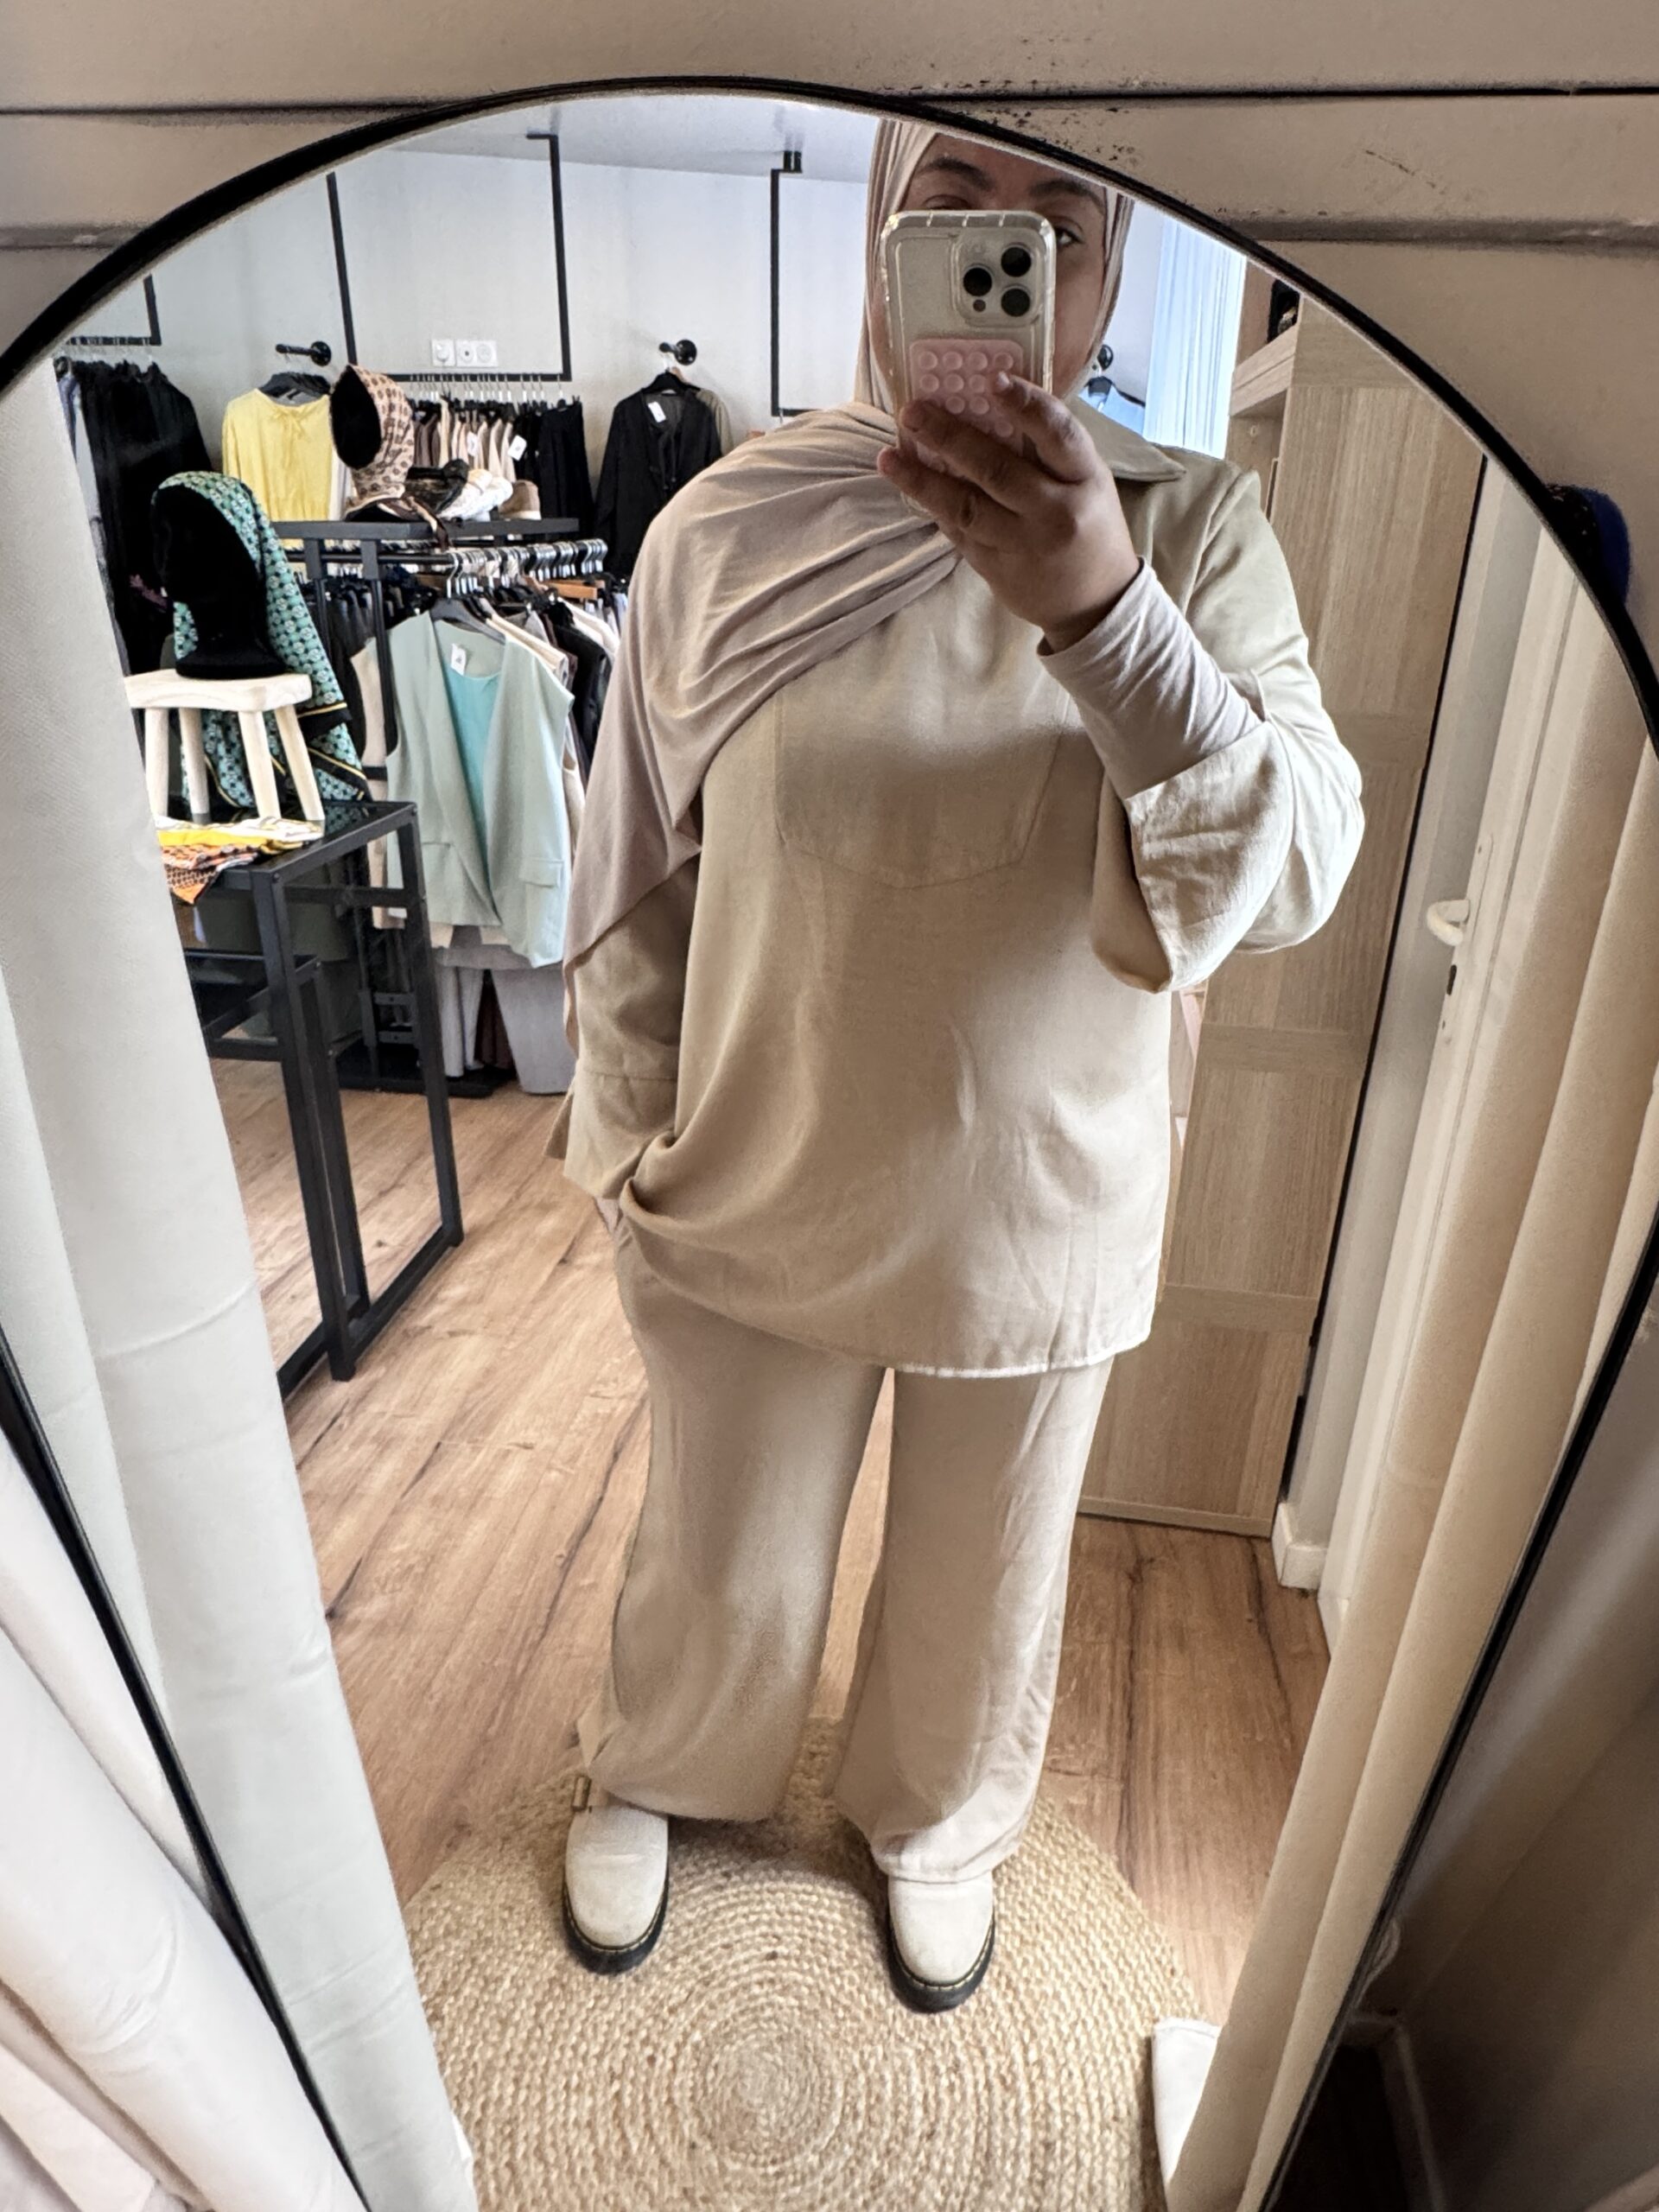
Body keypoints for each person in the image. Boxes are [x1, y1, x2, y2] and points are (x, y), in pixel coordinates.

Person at [548, 120, 1363, 2012]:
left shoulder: (1191, 531)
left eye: (1061, 222)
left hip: (1038, 1187)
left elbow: (1300, 864)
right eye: (954, 210)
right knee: (723, 1536)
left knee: (988, 1563)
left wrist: (1108, 615)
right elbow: (640, 866)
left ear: (1109, 276)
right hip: (760, 1157)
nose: (1009, 257)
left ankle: (940, 1817)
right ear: (880, 236)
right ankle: (663, 1762)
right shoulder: (727, 524)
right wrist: (625, 1138)